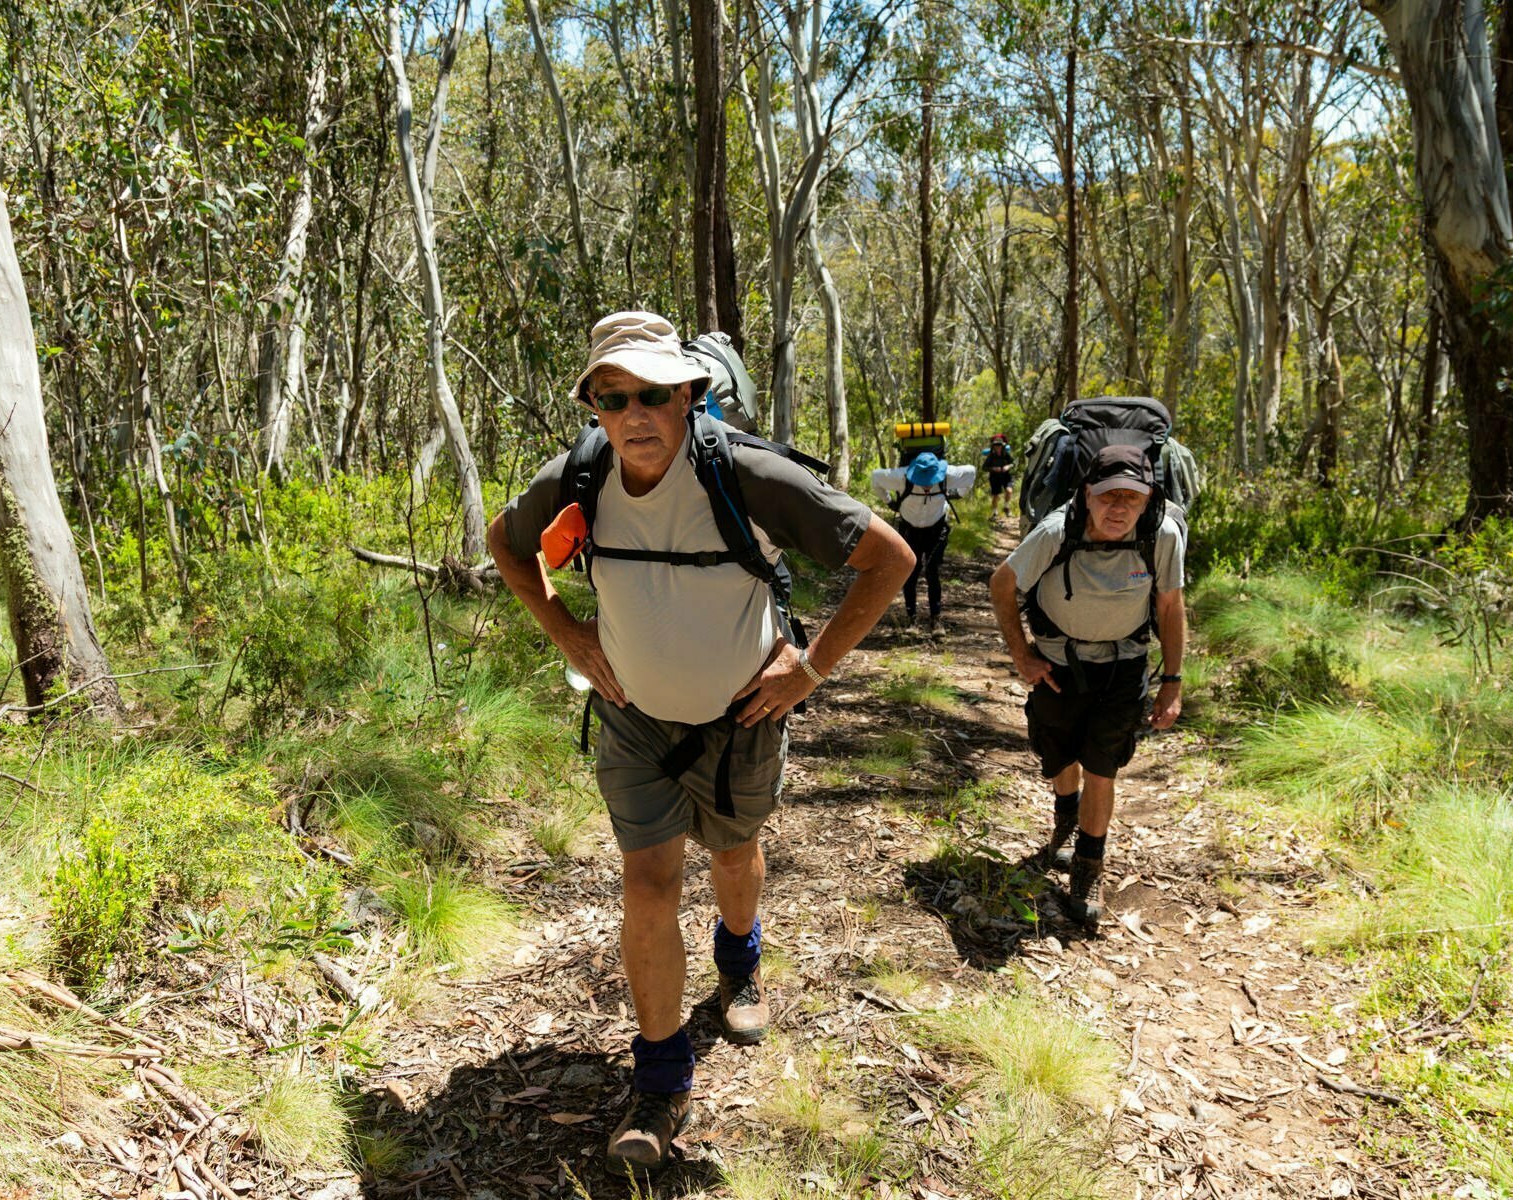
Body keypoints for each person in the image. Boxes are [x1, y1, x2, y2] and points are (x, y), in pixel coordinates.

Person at [488, 312, 914, 1174]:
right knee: (647, 881)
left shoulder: (746, 475)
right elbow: (506, 542)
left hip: (740, 720)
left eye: (653, 393)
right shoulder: (579, 474)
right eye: (614, 398)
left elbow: (891, 558)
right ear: (593, 406)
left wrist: (809, 668)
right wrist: (569, 635)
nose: (635, 413)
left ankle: (738, 960)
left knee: (732, 852)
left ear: (688, 394)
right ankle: (660, 1081)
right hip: (634, 721)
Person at [987, 445, 1185, 930]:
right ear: (1087, 493)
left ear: (1148, 499)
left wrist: (1172, 682)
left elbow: (1169, 606)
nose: (1119, 508)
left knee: (1102, 764)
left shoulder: (1161, 534)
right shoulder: (1056, 531)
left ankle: (1088, 865)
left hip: (1124, 666)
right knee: (1059, 754)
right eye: (1108, 496)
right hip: (1057, 664)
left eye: (1132, 498)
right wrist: (1022, 654)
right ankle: (1065, 818)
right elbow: (1001, 583)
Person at [870, 450, 976, 639]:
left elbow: (972, 472)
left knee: (932, 571)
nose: (927, 484)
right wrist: (889, 502)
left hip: (937, 529)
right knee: (911, 570)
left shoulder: (948, 475)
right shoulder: (901, 477)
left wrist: (958, 493)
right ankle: (912, 620)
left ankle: (936, 619)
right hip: (910, 531)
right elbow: (875, 477)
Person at [982, 433, 1016, 520]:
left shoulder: (1005, 454)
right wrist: (993, 468)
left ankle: (1006, 507)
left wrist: (1008, 466)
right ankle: (994, 513)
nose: (998, 447)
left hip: (1006, 476)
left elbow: (1013, 463)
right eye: (996, 445)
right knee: (996, 496)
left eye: (999, 445)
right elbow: (984, 467)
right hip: (995, 477)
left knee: (1009, 491)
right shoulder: (991, 456)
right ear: (993, 446)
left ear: (1002, 445)